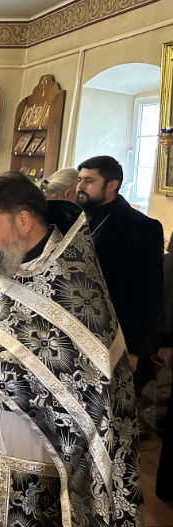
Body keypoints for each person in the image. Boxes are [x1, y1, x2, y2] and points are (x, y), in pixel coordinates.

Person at [0, 171, 142, 527]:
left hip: (34, 443)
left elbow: (90, 386)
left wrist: (0, 396)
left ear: (24, 221)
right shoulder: (2, 261)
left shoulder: (73, 286)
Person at [77, 155, 163, 389]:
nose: (80, 186)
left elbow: (148, 294)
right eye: (79, 179)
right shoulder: (76, 218)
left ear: (111, 185)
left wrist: (134, 349)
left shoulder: (142, 228)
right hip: (81, 331)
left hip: (116, 336)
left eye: (89, 181)